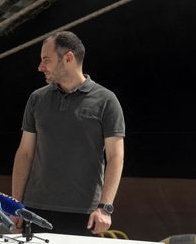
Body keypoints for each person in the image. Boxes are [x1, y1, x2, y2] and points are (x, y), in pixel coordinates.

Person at [12, 31, 125, 236]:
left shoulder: (107, 101)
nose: (40, 67)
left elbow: (115, 157)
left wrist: (105, 207)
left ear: (68, 58)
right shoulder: (36, 99)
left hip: (84, 213)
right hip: (35, 209)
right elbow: (25, 153)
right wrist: (16, 204)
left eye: (46, 60)